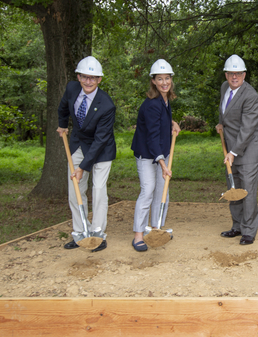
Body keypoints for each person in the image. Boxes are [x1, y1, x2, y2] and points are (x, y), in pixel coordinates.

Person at [57, 56, 116, 252]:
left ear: (100, 79)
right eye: (84, 77)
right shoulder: (72, 88)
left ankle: (98, 234)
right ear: (78, 77)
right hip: (77, 144)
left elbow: (100, 140)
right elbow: (63, 107)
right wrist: (62, 125)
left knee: (98, 190)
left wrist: (83, 167)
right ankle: (80, 233)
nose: (88, 81)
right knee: (75, 189)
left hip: (101, 150)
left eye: (93, 78)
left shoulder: (107, 105)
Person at [130, 59, 181, 252]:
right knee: (148, 191)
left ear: (171, 79)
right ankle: (138, 235)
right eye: (160, 79)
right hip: (147, 154)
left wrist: (172, 123)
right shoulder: (152, 103)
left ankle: (157, 228)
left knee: (163, 193)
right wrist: (162, 164)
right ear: (153, 81)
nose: (164, 82)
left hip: (161, 152)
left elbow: (161, 119)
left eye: (167, 78)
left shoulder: (164, 99)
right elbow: (151, 136)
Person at [216, 54, 258, 245]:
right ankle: (237, 226)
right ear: (226, 75)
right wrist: (221, 123)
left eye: (238, 73)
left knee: (247, 190)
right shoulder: (224, 88)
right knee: (233, 187)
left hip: (249, 149)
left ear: (244, 75)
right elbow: (224, 110)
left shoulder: (251, 96)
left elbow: (247, 129)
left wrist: (234, 152)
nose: (234, 77)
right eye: (230, 73)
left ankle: (249, 231)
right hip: (231, 147)